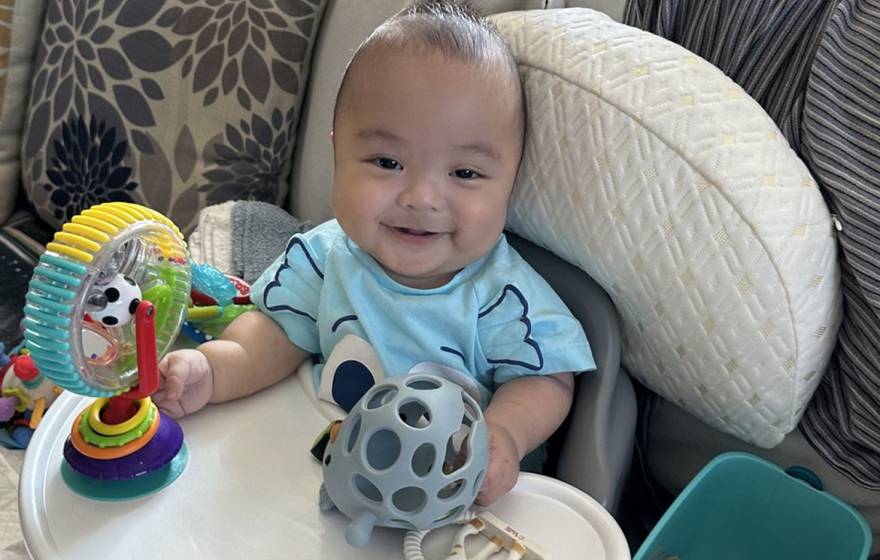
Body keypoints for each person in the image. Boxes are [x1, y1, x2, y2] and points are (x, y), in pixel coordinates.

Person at [153, 0, 595, 506]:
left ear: (512, 181)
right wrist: (214, 370)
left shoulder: (503, 298)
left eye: (465, 173)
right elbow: (275, 333)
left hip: (445, 499)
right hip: (317, 475)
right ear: (338, 152)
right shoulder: (325, 257)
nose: (421, 198)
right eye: (387, 161)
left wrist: (504, 436)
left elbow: (547, 380)